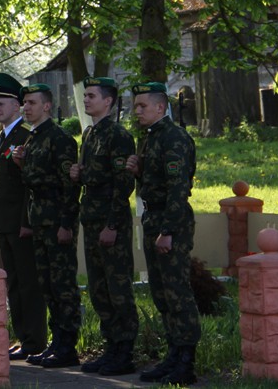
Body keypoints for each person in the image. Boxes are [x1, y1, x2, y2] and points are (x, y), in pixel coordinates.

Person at [126, 82, 200, 385]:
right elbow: (156, 180)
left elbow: (178, 188)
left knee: (177, 292)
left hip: (172, 220)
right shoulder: (151, 137)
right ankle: (173, 353)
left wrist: (168, 230)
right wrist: (139, 171)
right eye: (136, 105)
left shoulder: (174, 137)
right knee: (160, 292)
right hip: (154, 217)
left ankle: (186, 361)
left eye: (143, 105)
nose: (137, 110)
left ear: (160, 107)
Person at [69, 77, 138, 375]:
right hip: (92, 219)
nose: (86, 100)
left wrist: (112, 225)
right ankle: (111, 347)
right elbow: (91, 175)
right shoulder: (90, 133)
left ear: (107, 101)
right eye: (85, 95)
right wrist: (78, 174)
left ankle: (125, 352)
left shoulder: (118, 136)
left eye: (91, 96)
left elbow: (123, 184)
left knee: (118, 288)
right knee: (99, 289)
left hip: (111, 221)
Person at [12, 83, 80, 368]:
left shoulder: (59, 139)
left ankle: (68, 346)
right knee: (48, 285)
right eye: (25, 103)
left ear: (47, 106)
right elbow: (33, 184)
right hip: (40, 221)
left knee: (63, 284)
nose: (26, 107)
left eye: (32, 103)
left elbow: (69, 186)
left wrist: (66, 224)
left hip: (56, 221)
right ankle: (57, 342)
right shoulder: (34, 138)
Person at [0, 73, 47, 361]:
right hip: (6, 222)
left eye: (2, 103)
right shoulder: (2, 139)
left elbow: (28, 188)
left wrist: (26, 222)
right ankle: (23, 337)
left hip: (21, 224)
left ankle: (35, 340)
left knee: (28, 283)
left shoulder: (24, 137)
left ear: (16, 106)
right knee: (13, 282)